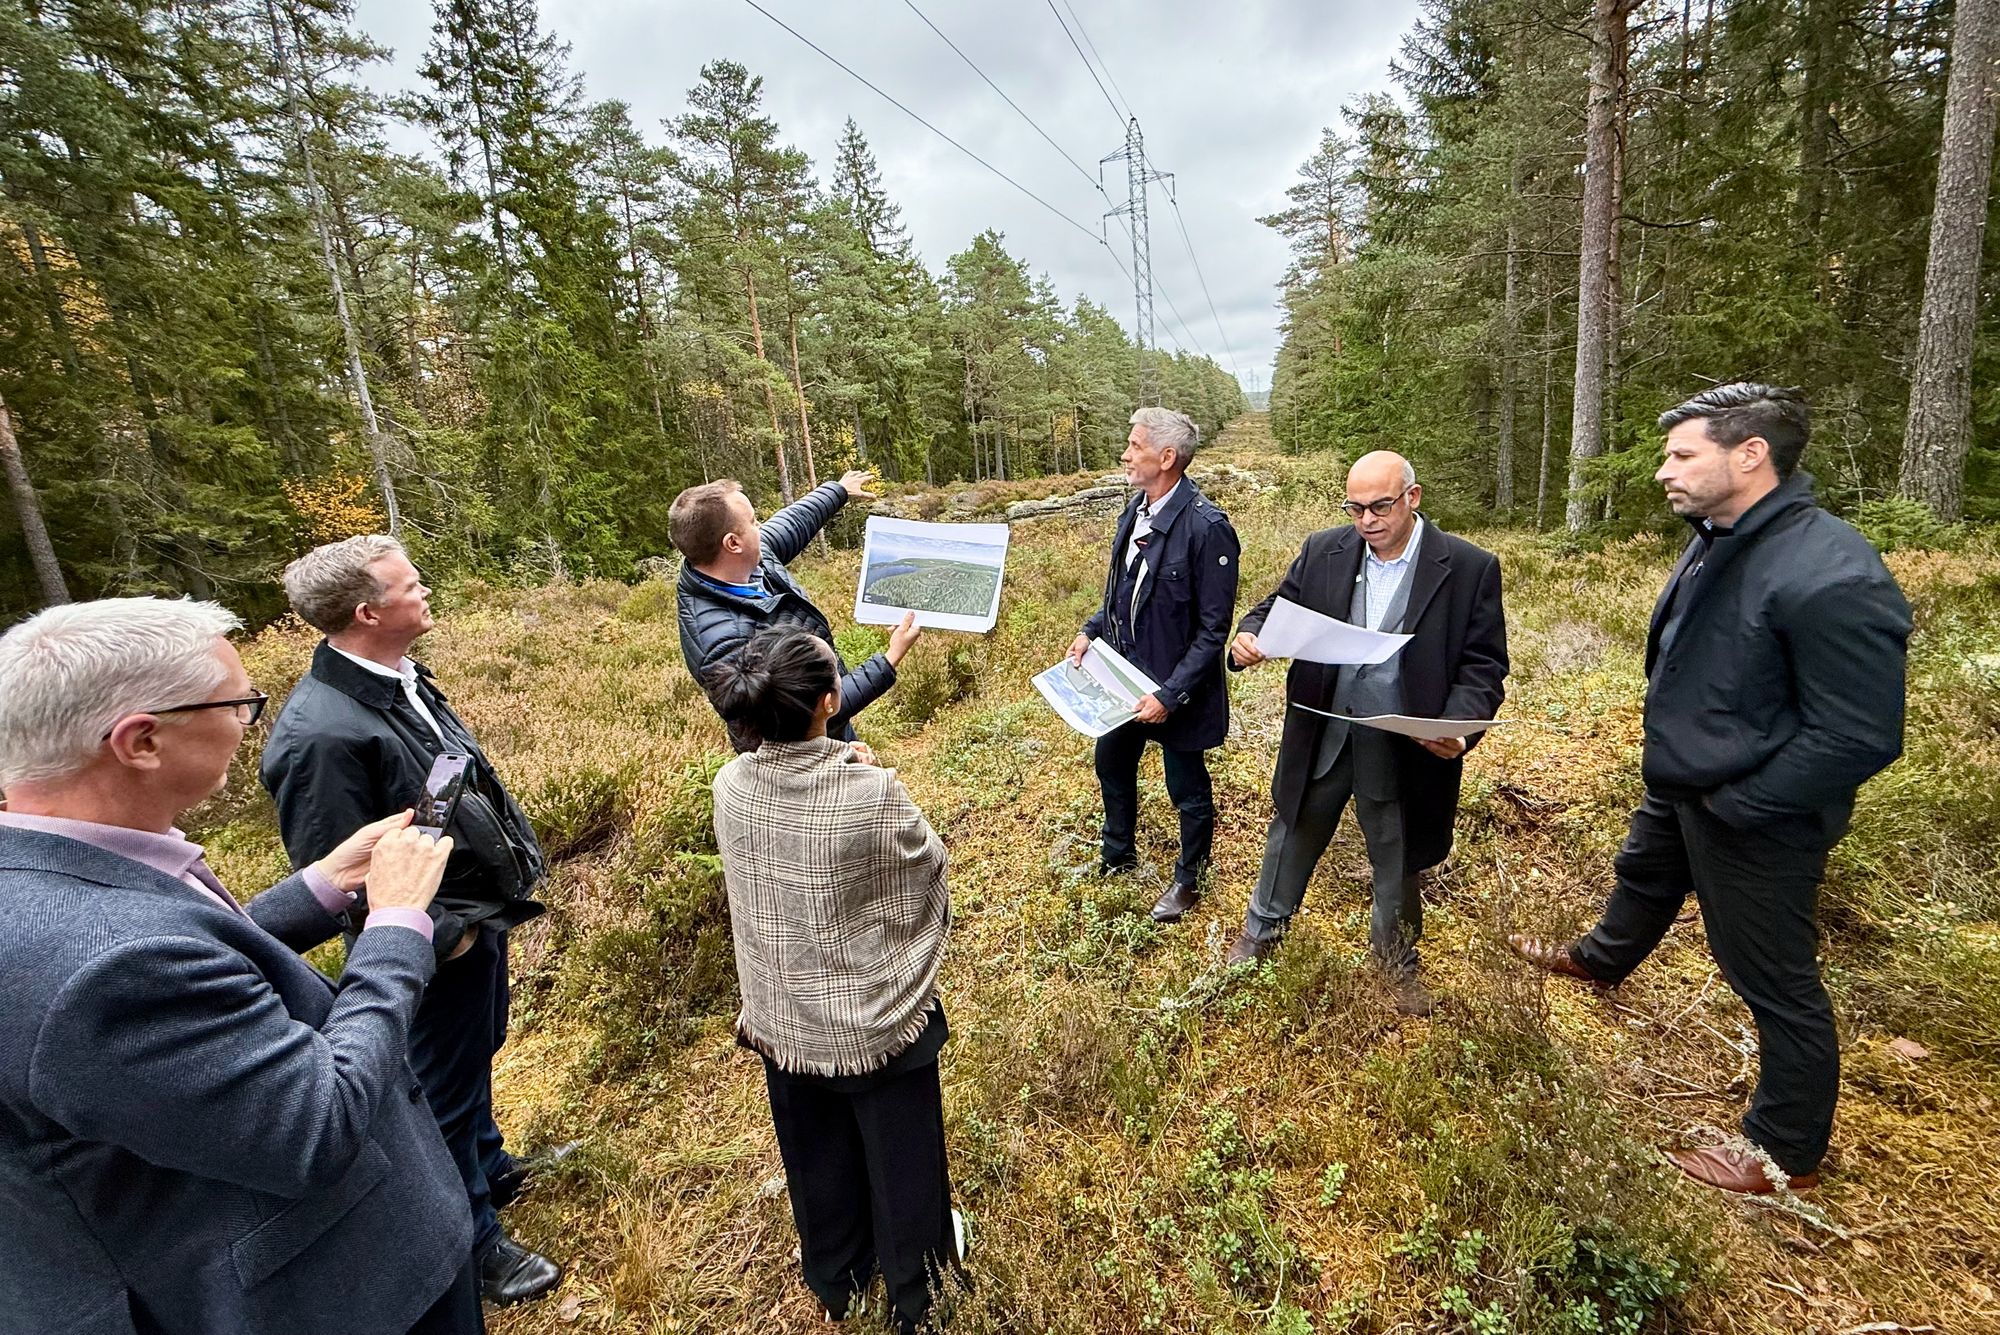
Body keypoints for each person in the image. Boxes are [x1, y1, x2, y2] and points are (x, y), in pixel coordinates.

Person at [0, 596, 482, 1335]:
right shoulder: (100, 966)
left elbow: (187, 977)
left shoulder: (54, 872)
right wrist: (394, 922)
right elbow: (315, 1122)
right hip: (332, 1298)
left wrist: (320, 886)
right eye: (239, 704)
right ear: (142, 741)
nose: (250, 721)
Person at [1507, 384, 1911, 1194]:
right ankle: (1600, 958)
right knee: (1645, 872)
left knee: (1773, 975)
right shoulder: (1722, 535)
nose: (1665, 470)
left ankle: (1783, 1148)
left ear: (1750, 454)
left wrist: (1741, 805)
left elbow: (1860, 734)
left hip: (1759, 813)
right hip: (1687, 779)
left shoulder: (1830, 571)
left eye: (1682, 453)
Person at [259, 535, 564, 1306]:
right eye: (410, 584)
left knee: (476, 1052)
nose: (425, 591)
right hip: (428, 939)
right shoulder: (321, 734)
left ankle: (490, 1166)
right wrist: (445, 930)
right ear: (368, 611)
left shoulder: (398, 679)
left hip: (468, 910)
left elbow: (438, 785)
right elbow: (344, 871)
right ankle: (474, 1242)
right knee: (438, 1092)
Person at [705, 626, 962, 1334]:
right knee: (902, 1164)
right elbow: (927, 868)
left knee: (813, 1152)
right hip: (869, 1023)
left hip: (778, 1013)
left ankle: (837, 1277)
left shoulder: (731, 783)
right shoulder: (871, 792)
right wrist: (865, 775)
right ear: (829, 701)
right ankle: (919, 1294)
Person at [1227, 451, 1508, 1015]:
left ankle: (1395, 963)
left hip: (1404, 742)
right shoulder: (1323, 550)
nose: (1366, 521)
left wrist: (1457, 729)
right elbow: (1275, 607)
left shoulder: (1469, 566)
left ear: (1413, 496)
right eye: (1355, 508)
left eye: (1380, 506)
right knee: (1294, 826)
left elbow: (1483, 665)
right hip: (1323, 727)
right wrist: (1249, 635)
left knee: (1397, 849)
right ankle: (1262, 932)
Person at [1066, 407, 1240, 923]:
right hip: (1123, 677)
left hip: (1176, 689)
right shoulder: (1135, 510)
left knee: (1186, 785)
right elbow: (1124, 593)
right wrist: (1091, 630)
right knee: (1111, 764)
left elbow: (1213, 632)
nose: (1125, 454)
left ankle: (1190, 879)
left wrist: (1170, 696)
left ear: (1167, 457)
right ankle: (1117, 856)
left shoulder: (1208, 530)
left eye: (1135, 445)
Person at [672, 470, 921, 752]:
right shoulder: (724, 642)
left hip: (830, 730)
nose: (761, 527)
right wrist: (890, 658)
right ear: (733, 543)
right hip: (797, 763)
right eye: (754, 521)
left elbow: (790, 523)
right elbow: (810, 713)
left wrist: (838, 490)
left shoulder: (746, 564)